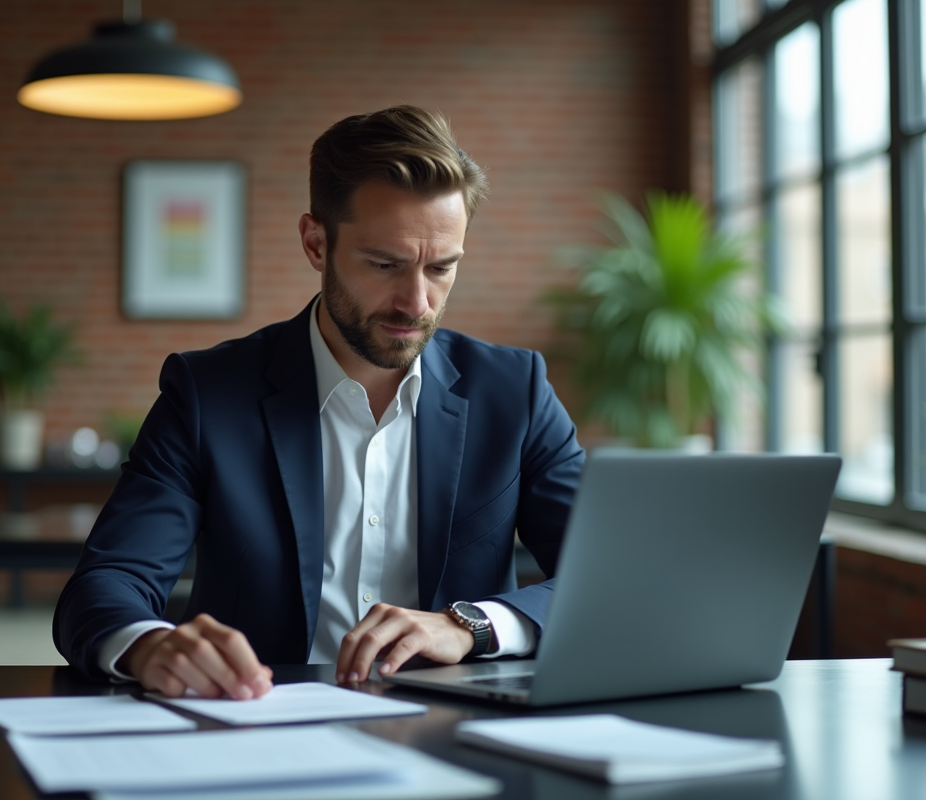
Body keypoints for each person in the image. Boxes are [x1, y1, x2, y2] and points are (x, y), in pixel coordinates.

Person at [54, 105, 585, 701]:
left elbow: (615, 575)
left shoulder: (514, 390)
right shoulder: (207, 393)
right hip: (258, 730)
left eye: (441, 268)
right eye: (384, 264)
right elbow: (107, 582)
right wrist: (151, 645)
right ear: (315, 243)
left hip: (457, 732)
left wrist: (473, 626)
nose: (416, 302)